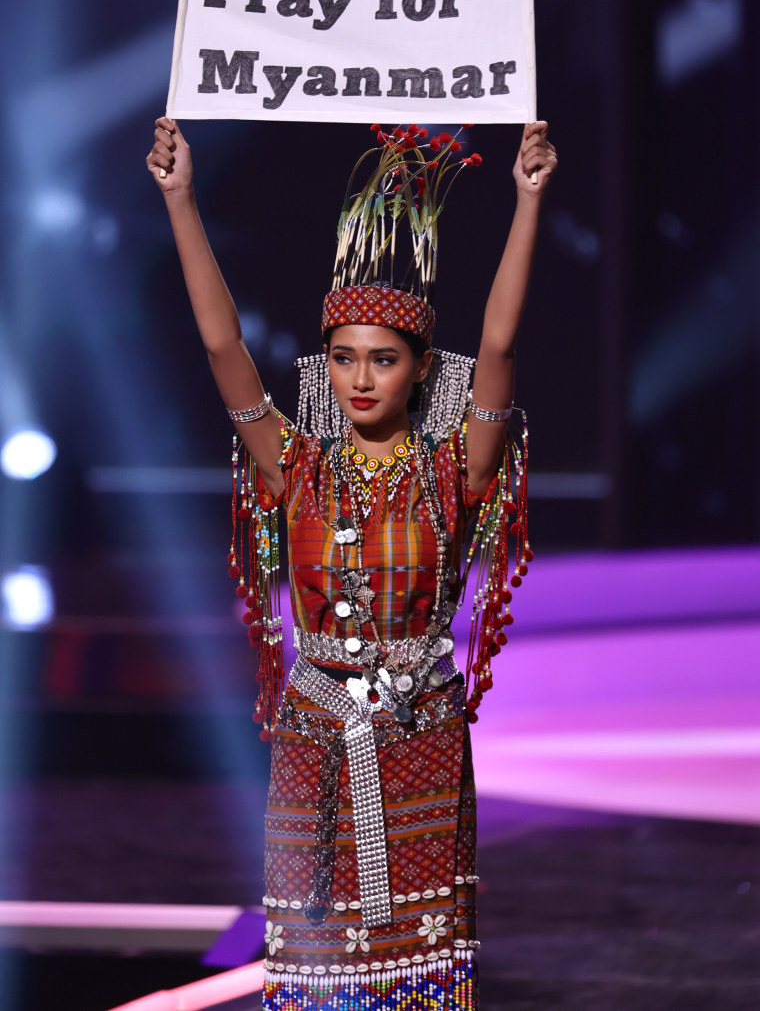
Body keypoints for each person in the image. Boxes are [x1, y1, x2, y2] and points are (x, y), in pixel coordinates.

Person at [147, 116, 557, 1010]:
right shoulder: (293, 467)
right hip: (316, 725)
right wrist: (180, 199)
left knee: (421, 967)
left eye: (383, 360)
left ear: (419, 370)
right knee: (314, 955)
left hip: (420, 729)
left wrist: (528, 202)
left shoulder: (457, 472)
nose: (360, 378)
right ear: (323, 365)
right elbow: (223, 349)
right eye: (342, 359)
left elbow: (497, 345)